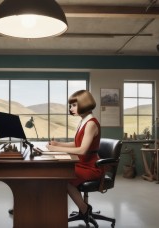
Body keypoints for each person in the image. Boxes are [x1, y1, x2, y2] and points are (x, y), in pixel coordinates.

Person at [46, 90, 102, 223]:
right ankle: (83, 208)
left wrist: (54, 148)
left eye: (74, 105)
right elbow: (77, 143)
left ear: (84, 104)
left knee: (62, 177)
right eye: (70, 105)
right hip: (82, 163)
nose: (70, 109)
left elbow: (82, 150)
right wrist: (58, 143)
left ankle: (84, 209)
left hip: (91, 167)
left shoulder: (91, 124)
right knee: (60, 173)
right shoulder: (83, 121)